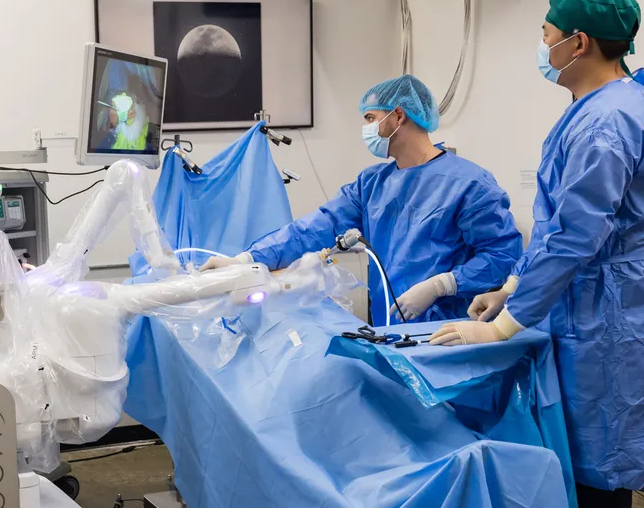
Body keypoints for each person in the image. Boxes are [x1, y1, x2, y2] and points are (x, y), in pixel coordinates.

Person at [430, 0, 644, 508]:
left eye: (545, 33)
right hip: (585, 303)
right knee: (577, 457)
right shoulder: (596, 107)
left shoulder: (608, 119)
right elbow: (560, 226)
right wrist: (511, 284)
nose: (540, 46)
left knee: (600, 468)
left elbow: (577, 236)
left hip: (607, 315)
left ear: (577, 43)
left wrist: (503, 324)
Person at [202, 75, 521, 323]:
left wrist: (441, 285)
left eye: (370, 118)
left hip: (447, 332)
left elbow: (503, 255)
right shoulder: (372, 184)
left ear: (398, 116)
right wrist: (245, 260)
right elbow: (314, 228)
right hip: (388, 329)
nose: (365, 128)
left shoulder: (469, 183)